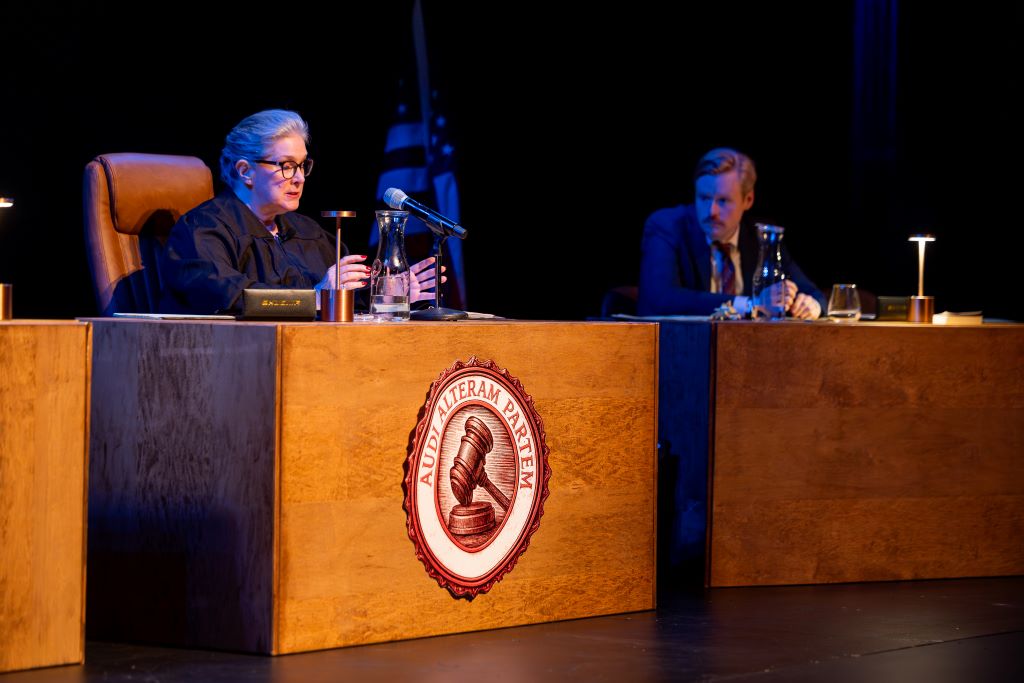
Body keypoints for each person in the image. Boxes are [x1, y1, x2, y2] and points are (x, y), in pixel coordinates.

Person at [160, 109, 441, 314]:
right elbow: (228, 297)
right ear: (246, 171)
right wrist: (316, 297)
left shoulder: (309, 233)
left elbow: (345, 294)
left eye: (302, 165)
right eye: (286, 165)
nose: (299, 178)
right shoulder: (202, 230)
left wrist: (386, 293)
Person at [638, 147, 826, 319]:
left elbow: (815, 294)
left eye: (723, 201)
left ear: (748, 199)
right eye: (704, 198)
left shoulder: (761, 237)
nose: (711, 211)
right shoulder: (667, 226)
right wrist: (752, 305)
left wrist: (809, 305)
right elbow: (662, 297)